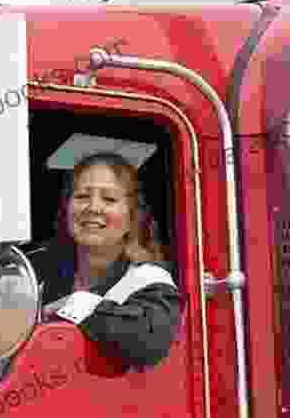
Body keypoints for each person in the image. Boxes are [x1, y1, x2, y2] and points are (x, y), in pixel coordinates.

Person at [25, 151, 183, 367]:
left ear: (131, 217)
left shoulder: (149, 279)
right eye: (82, 197)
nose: (93, 208)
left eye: (109, 199)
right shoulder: (34, 269)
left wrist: (74, 305)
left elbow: (148, 342)